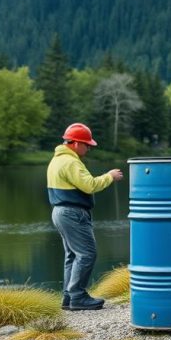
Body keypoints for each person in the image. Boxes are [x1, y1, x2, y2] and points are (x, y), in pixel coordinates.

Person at [47, 123, 123, 311]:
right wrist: (110, 176)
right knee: (87, 254)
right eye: (86, 144)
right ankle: (78, 297)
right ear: (75, 143)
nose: (89, 148)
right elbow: (89, 185)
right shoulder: (70, 162)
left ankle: (68, 297)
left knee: (72, 255)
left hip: (60, 212)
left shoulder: (56, 160)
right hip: (73, 213)